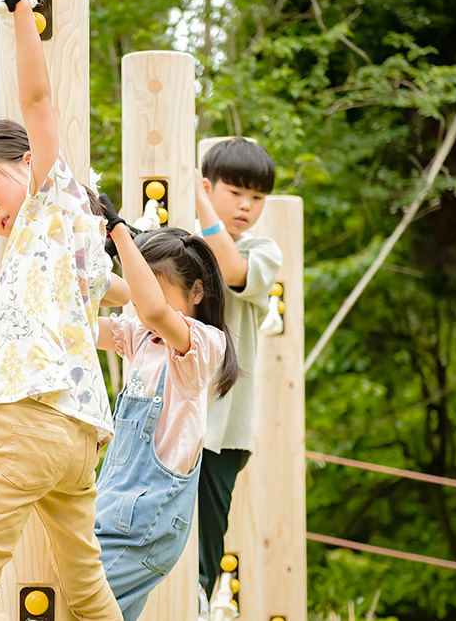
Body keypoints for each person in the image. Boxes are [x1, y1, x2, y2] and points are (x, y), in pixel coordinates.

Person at [0, 0, 131, 620]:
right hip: (78, 443)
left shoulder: (49, 194)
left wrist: (21, 3)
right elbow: (119, 291)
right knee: (86, 593)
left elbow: (40, 96)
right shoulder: (66, 234)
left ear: (25, 161)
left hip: (26, 423)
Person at [94, 196, 238, 621]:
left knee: (77, 606)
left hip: (148, 522)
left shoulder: (203, 345)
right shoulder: (143, 337)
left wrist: (119, 232)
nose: (142, 302)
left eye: (156, 286)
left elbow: (155, 310)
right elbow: (78, 329)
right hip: (113, 511)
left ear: (197, 292)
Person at [193, 137, 283, 601]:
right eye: (236, 193)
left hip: (222, 433)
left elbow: (229, 268)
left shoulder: (263, 250)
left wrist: (197, 202)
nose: (247, 206)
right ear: (209, 187)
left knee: (204, 555)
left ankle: (201, 609)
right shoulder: (182, 239)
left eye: (257, 197)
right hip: (172, 422)